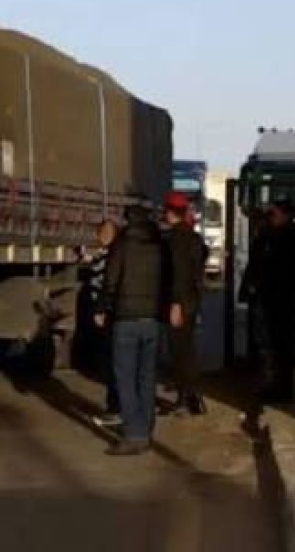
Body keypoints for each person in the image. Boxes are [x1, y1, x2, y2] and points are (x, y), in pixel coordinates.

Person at [95, 205, 166, 456]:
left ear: (128, 221)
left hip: (126, 319)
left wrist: (102, 308)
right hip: (152, 320)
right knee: (147, 378)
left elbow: (110, 280)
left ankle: (134, 435)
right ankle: (146, 429)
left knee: (125, 379)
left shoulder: (122, 245)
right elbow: (167, 280)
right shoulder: (159, 245)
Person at [240, 200, 295, 403]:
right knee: (271, 346)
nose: (270, 218)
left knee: (278, 347)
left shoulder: (286, 239)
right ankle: (274, 386)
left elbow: (277, 271)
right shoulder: (273, 237)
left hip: (280, 302)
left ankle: (279, 388)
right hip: (274, 301)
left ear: (285, 216)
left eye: (274, 214)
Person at [162, 191, 208, 416]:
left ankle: (186, 399)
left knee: (179, 353)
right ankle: (192, 397)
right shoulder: (194, 238)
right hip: (191, 301)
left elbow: (178, 274)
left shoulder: (175, 239)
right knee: (187, 350)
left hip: (179, 303)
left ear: (171, 212)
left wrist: (175, 303)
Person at [83, 220, 121, 427]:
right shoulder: (105, 254)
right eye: (101, 231)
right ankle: (116, 407)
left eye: (107, 232)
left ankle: (116, 408)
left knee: (112, 362)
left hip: (109, 314)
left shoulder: (113, 256)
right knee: (109, 361)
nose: (103, 235)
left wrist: (101, 309)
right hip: (106, 314)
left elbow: (106, 283)